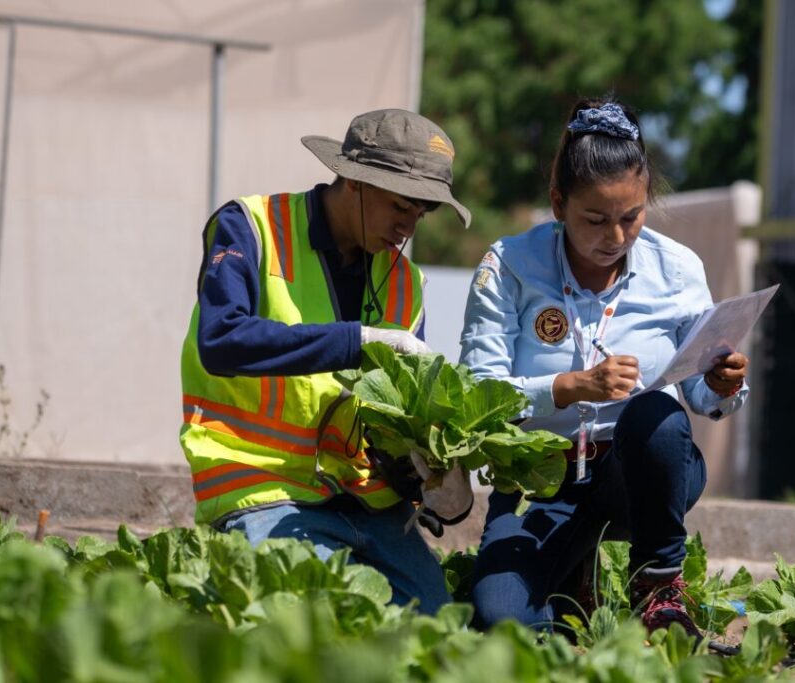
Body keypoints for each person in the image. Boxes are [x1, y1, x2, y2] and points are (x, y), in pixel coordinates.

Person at [459, 98, 750, 636]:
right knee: (504, 623)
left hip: (635, 478)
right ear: (558, 203)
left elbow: (700, 395)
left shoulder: (677, 269)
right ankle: (576, 579)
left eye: (630, 218)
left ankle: (658, 586)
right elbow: (477, 393)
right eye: (594, 220)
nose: (615, 238)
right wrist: (570, 387)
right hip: (539, 477)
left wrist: (721, 383)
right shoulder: (509, 265)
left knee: (655, 413)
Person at [179, 109, 473, 614]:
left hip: (368, 503)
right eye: (400, 205)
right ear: (355, 180)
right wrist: (358, 340)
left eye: (421, 214)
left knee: (442, 629)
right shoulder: (250, 227)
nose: (407, 227)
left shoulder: (407, 284)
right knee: (321, 623)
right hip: (261, 486)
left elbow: (392, 424)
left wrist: (435, 483)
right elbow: (220, 340)